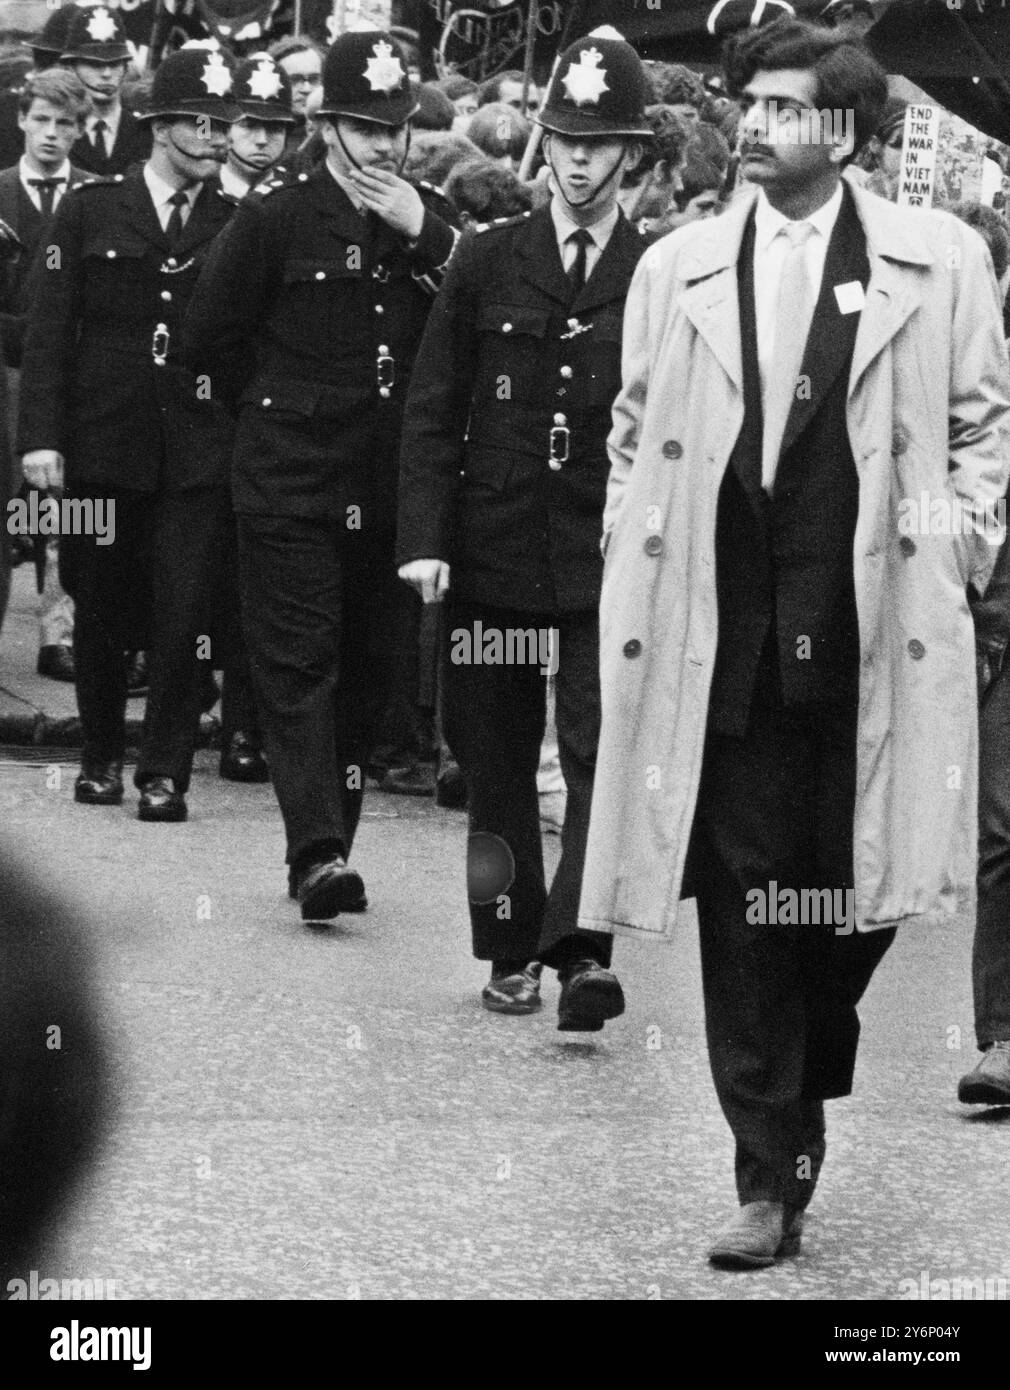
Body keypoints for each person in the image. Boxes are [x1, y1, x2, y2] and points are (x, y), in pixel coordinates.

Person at [578, 16, 1010, 1265]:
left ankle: (810, 1052)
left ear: (845, 130)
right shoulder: (678, 266)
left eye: (783, 107)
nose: (754, 126)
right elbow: (627, 430)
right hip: (727, 636)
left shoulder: (938, 261)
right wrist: (630, 545)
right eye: (746, 105)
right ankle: (766, 1172)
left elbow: (984, 425)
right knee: (746, 898)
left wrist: (957, 544)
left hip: (878, 630)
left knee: (861, 896)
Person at [397, 34, 651, 1029]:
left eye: (601, 144)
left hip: (605, 558)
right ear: (541, 144)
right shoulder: (486, 258)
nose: (580, 161)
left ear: (631, 153)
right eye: (565, 140)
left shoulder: (660, 270)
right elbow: (432, 402)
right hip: (493, 545)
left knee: (600, 751)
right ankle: (508, 941)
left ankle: (581, 949)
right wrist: (423, 536)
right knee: (493, 753)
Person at [184, 30, 459, 924]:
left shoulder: (423, 217)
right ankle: (316, 853)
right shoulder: (274, 216)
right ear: (327, 125)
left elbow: (478, 309)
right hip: (290, 480)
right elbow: (209, 340)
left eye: (396, 129)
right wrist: (274, 415)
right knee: (297, 666)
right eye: (364, 128)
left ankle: (331, 841)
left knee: (370, 671)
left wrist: (431, 232)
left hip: (384, 484)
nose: (385, 147)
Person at [17, 47, 239, 822]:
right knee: (101, 605)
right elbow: (49, 333)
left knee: (184, 615)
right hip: (101, 448)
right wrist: (40, 440)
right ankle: (102, 756)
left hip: (197, 456)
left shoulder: (233, 224)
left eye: (227, 126)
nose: (219, 140)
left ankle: (164, 771)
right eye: (205, 125)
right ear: (163, 127)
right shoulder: (89, 209)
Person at [0, 67, 92, 685]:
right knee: (9, 505)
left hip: (70, 370)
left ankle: (61, 635)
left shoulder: (93, 196)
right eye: (41, 120)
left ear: (82, 130)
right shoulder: (0, 192)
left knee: (65, 507)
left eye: (65, 123)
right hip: (4, 366)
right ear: (21, 122)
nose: (52, 134)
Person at [59, 6, 150, 177]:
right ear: (71, 67)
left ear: (125, 68)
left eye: (115, 63)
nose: (106, 74)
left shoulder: (147, 133)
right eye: (95, 64)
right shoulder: (56, 130)